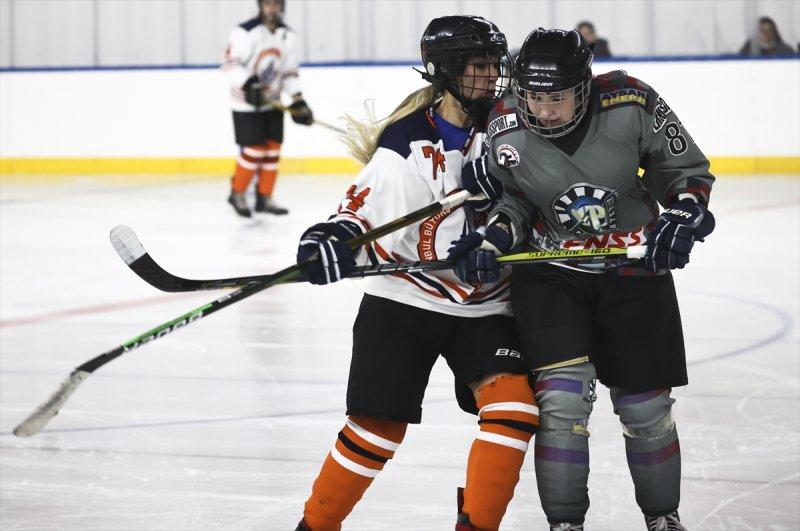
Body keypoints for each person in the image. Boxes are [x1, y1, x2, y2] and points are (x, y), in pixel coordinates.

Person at [448, 28, 716, 531]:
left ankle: (662, 517)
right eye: (533, 97)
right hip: (551, 276)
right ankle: (565, 523)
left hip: (633, 269)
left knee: (645, 407)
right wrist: (494, 239)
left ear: (584, 88)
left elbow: (683, 173)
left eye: (555, 98)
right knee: (562, 404)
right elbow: (515, 201)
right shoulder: (505, 124)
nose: (542, 111)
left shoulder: (631, 101)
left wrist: (684, 212)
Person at [293, 15, 539, 531]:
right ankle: (315, 526)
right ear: (445, 72)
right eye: (479, 66)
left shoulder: (517, 125)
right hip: (405, 300)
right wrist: (331, 241)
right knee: (376, 429)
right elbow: (357, 213)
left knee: (514, 410)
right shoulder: (407, 143)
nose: (492, 76)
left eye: (496, 64)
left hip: (487, 303)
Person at [222, 0, 314, 218]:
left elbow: (289, 72)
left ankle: (264, 197)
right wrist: (248, 82)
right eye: (267, 4)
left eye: (275, 4)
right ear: (260, 6)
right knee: (255, 150)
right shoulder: (245, 32)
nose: (271, 9)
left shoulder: (286, 35)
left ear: (281, 7)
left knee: (272, 150)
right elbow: (230, 64)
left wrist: (298, 100)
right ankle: (237, 193)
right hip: (246, 103)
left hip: (273, 102)